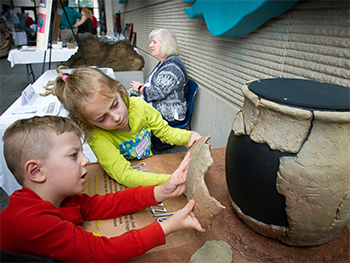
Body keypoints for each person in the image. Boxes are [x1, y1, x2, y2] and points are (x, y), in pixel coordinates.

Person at [0, 115, 205, 263]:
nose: (86, 160)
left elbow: (105, 204)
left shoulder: (62, 197)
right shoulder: (31, 222)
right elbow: (98, 253)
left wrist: (160, 191)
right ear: (36, 171)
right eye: (73, 155)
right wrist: (168, 226)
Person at [55, 66, 204, 188]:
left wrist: (189, 137)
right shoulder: (97, 136)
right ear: (87, 123)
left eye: (115, 104)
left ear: (119, 91)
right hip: (128, 182)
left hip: (149, 164)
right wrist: (169, 180)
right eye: (102, 118)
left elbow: (166, 132)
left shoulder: (139, 107)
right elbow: (124, 174)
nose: (116, 117)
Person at [130, 28, 188, 126]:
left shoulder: (172, 67)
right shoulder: (165, 62)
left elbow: (157, 93)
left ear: (165, 44)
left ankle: (139, 140)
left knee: (129, 114)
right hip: (161, 106)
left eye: (154, 42)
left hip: (169, 113)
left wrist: (139, 88)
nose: (150, 45)